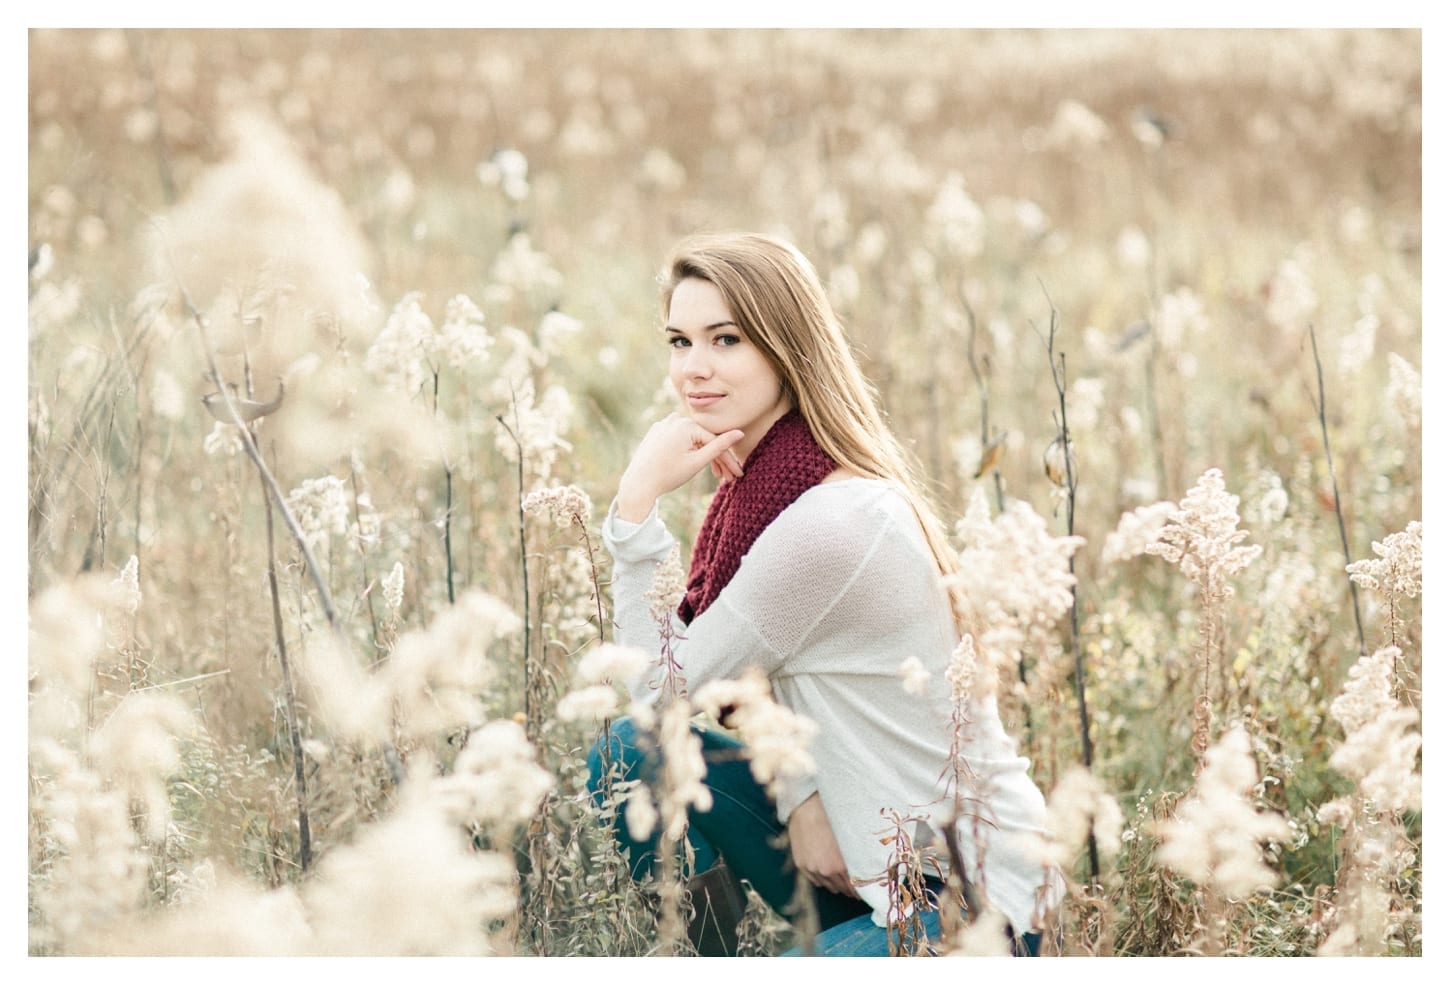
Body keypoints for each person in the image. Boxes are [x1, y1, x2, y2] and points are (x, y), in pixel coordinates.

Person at [588, 232, 1062, 957]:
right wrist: (798, 795)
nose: (695, 369)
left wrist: (634, 507)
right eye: (680, 341)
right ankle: (713, 952)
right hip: (864, 864)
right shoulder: (769, 494)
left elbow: (656, 683)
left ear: (786, 348)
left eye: (727, 339)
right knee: (631, 753)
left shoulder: (828, 523)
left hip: (973, 907)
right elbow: (767, 671)